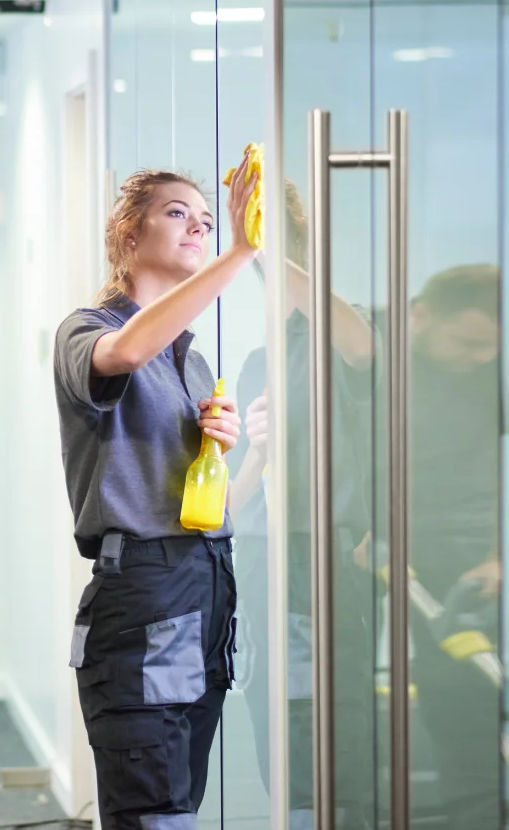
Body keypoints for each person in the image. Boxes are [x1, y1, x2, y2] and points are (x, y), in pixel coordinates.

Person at [54, 161, 257, 830]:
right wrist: (237, 252)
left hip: (206, 585)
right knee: (153, 813)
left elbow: (205, 499)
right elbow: (125, 353)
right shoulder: (87, 330)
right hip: (143, 592)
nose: (197, 223)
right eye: (178, 212)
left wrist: (218, 451)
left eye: (204, 217)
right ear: (126, 235)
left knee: (181, 805)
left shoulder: (190, 360)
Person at [228, 181, 376, 830]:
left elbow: (358, 341)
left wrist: (261, 242)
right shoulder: (258, 360)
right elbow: (230, 501)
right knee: (274, 706)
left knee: (335, 707)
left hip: (327, 549)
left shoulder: (340, 335)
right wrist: (257, 452)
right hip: (264, 551)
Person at [405, 264, 501, 827]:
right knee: (448, 685)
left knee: (477, 682)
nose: (480, 357)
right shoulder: (381, 361)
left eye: (490, 347)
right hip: (405, 548)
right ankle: (475, 809)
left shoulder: (494, 372)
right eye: (467, 344)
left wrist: (497, 555)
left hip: (478, 547)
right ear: (421, 317)